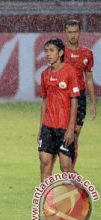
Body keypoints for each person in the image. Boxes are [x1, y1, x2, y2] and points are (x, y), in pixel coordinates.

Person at [37, 38, 80, 182]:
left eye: (51, 51)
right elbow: (44, 100)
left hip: (64, 127)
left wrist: (70, 129)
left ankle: (80, 190)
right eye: (46, 51)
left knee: (65, 167)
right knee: (44, 164)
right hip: (48, 127)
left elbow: (74, 101)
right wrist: (41, 128)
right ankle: (47, 203)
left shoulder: (70, 72)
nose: (48, 54)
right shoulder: (45, 74)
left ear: (60, 52)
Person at [64, 19, 97, 169]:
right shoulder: (60, 53)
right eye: (70, 32)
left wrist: (93, 103)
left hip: (79, 99)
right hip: (62, 99)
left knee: (74, 137)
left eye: (75, 32)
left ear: (80, 33)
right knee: (63, 137)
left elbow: (89, 79)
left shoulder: (87, 53)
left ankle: (70, 170)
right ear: (65, 33)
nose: (72, 35)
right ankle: (66, 168)